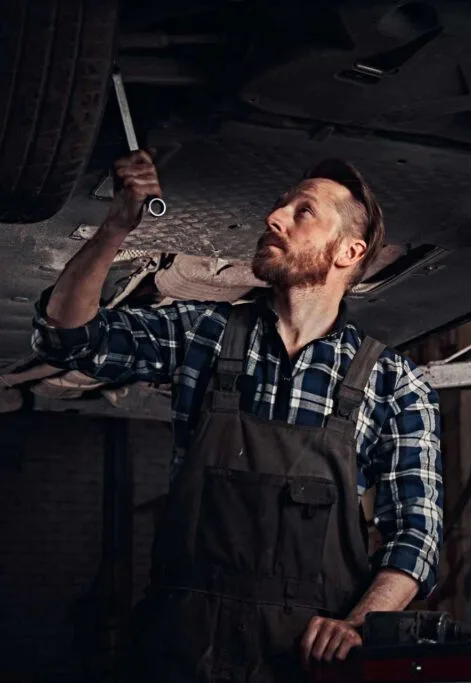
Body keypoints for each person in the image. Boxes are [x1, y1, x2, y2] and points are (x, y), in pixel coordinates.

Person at [31, 151, 444, 681]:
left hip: (304, 660)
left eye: (303, 212)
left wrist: (359, 624)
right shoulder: (204, 333)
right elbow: (67, 338)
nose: (274, 218)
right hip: (180, 649)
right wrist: (117, 226)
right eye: (279, 207)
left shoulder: (394, 386)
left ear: (349, 251)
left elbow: (417, 534)